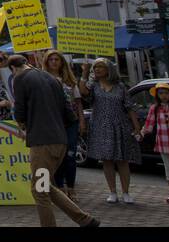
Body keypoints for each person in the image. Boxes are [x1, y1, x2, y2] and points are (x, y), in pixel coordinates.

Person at [8, 54, 99, 228]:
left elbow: (19, 110)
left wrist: (24, 126)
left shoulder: (20, 78)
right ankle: (85, 220)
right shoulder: (51, 78)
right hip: (60, 140)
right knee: (45, 185)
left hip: (43, 143)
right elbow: (69, 113)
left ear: (13, 68)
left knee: (39, 190)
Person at [80, 58, 141, 204]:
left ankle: (126, 192)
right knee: (106, 160)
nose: (98, 69)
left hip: (119, 125)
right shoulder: (93, 85)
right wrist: (85, 72)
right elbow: (82, 92)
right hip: (101, 125)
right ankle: (112, 192)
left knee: (122, 160)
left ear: (109, 70)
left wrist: (136, 126)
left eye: (101, 67)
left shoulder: (120, 87)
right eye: (96, 67)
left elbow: (129, 107)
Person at [42, 49, 84, 199]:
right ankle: (60, 187)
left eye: (56, 59)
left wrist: (81, 121)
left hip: (70, 122)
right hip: (53, 123)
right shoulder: (42, 79)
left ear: (61, 62)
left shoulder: (70, 81)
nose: (54, 62)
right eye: (51, 59)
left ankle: (71, 188)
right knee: (57, 156)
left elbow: (78, 103)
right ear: (46, 62)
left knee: (70, 155)